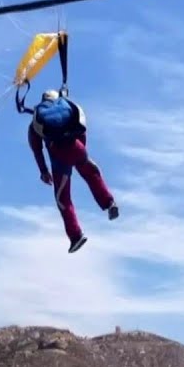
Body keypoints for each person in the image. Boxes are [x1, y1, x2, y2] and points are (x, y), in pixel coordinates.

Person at [28, 90, 119, 252]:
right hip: (77, 148)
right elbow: (82, 129)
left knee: (63, 199)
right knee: (92, 174)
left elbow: (37, 149)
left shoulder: (37, 122)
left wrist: (43, 171)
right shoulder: (66, 107)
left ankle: (76, 236)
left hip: (59, 158)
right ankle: (109, 202)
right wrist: (82, 152)